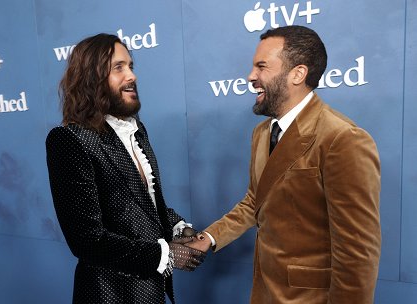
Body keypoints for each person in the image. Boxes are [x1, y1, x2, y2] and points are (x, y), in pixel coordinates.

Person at [189, 25, 381, 303]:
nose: (251, 76)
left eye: (261, 66)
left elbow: (357, 252)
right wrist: (208, 238)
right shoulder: (262, 132)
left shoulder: (342, 138)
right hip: (264, 291)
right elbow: (255, 201)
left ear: (298, 74)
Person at [45, 33, 205, 304]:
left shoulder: (136, 130)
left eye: (130, 66)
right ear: (91, 77)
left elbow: (140, 204)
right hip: (108, 294)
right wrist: (166, 255)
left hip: (151, 293)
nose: (132, 76)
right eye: (118, 68)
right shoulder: (69, 139)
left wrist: (178, 227)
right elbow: (87, 240)